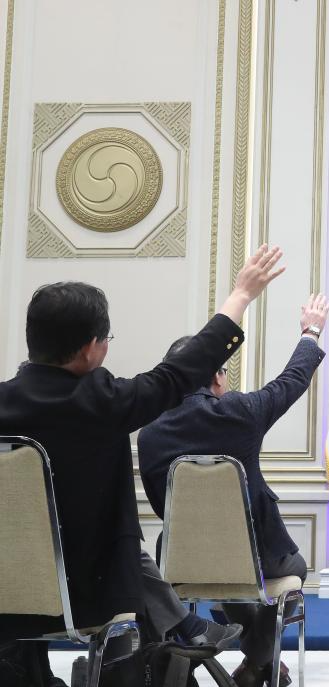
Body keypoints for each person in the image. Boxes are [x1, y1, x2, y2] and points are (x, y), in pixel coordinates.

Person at [0, 246, 285, 664]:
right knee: (124, 551)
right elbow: (177, 374)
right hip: (88, 595)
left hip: (6, 589)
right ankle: (178, 636)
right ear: (90, 348)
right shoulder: (103, 402)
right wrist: (240, 296)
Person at [137, 293, 329, 687]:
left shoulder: (150, 432)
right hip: (258, 557)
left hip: (181, 561)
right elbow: (291, 381)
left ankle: (253, 659)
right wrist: (310, 332)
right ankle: (259, 661)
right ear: (216, 376)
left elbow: (160, 505)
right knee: (291, 570)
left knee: (226, 576)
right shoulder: (240, 412)